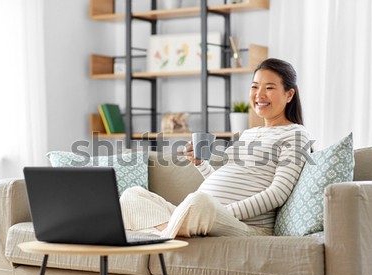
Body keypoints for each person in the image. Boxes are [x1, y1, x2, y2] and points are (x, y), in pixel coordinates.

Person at [120, 58, 311, 238]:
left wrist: (222, 211)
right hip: (209, 214)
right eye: (254, 87)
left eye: (269, 88)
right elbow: (226, 183)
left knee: (199, 202)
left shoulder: (295, 134)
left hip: (246, 226)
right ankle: (175, 230)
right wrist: (200, 163)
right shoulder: (249, 133)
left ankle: (165, 231)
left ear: (289, 94)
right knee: (132, 195)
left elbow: (277, 194)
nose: (259, 95)